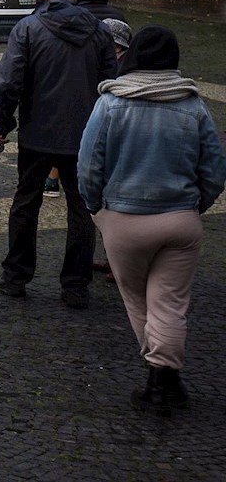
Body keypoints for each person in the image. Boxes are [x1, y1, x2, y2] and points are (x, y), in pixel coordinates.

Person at [78, 26, 225, 413]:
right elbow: (214, 169)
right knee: (170, 304)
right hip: (180, 219)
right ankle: (166, 380)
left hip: (124, 220)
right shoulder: (193, 105)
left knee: (139, 302)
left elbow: (89, 166)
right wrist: (195, 206)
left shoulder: (109, 103)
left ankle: (158, 378)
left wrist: (98, 210)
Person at [0, 0, 116, 309]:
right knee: (81, 209)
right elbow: (111, 85)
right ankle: (76, 285)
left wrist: (4, 123)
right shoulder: (99, 32)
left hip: (37, 133)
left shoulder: (28, 28)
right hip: (86, 135)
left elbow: (10, 83)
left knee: (25, 203)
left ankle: (16, 277)